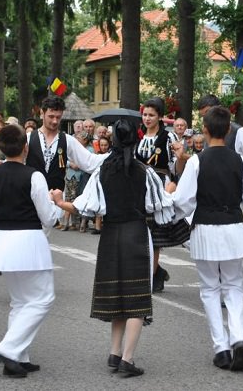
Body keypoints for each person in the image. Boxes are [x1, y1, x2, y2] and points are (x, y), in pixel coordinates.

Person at [52, 119, 174, 377]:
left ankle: (115, 352)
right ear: (136, 141)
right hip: (136, 233)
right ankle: (127, 359)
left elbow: (84, 207)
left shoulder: (102, 171)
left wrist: (61, 203)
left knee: (118, 295)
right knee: (137, 299)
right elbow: (162, 207)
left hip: (110, 235)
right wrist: (174, 192)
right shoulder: (145, 172)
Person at [169, 106, 243, 371]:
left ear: (205, 130)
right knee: (234, 286)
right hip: (233, 226)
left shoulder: (196, 161)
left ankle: (221, 348)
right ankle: (239, 338)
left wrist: (169, 210)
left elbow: (184, 202)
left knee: (210, 289)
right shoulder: (239, 161)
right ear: (228, 130)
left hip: (206, 229)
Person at [0, 124, 58, 377]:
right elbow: (48, 218)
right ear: (25, 148)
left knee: (20, 301)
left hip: (2, 240)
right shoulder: (34, 176)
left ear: (0, 147)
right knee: (42, 299)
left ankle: (18, 356)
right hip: (29, 241)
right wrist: (56, 202)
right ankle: (9, 349)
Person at [197, 94, 243, 308]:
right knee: (223, 249)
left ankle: (242, 292)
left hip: (232, 195)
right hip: (213, 195)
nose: (205, 121)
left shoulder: (239, 133)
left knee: (229, 249)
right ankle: (238, 291)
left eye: (206, 115)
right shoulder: (209, 136)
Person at [136, 97, 187, 292]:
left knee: (155, 234)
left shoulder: (168, 137)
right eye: (145, 114)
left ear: (159, 117)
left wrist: (173, 182)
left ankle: (151, 277)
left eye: (151, 115)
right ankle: (157, 272)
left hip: (160, 185)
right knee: (141, 232)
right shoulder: (139, 137)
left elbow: (176, 167)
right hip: (141, 185)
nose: (147, 118)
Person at [25, 96, 106, 192]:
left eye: (58, 117)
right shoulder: (28, 138)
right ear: (42, 113)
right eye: (51, 116)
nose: (55, 121)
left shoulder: (68, 140)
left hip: (56, 198)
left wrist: (114, 154)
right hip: (30, 196)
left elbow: (89, 162)